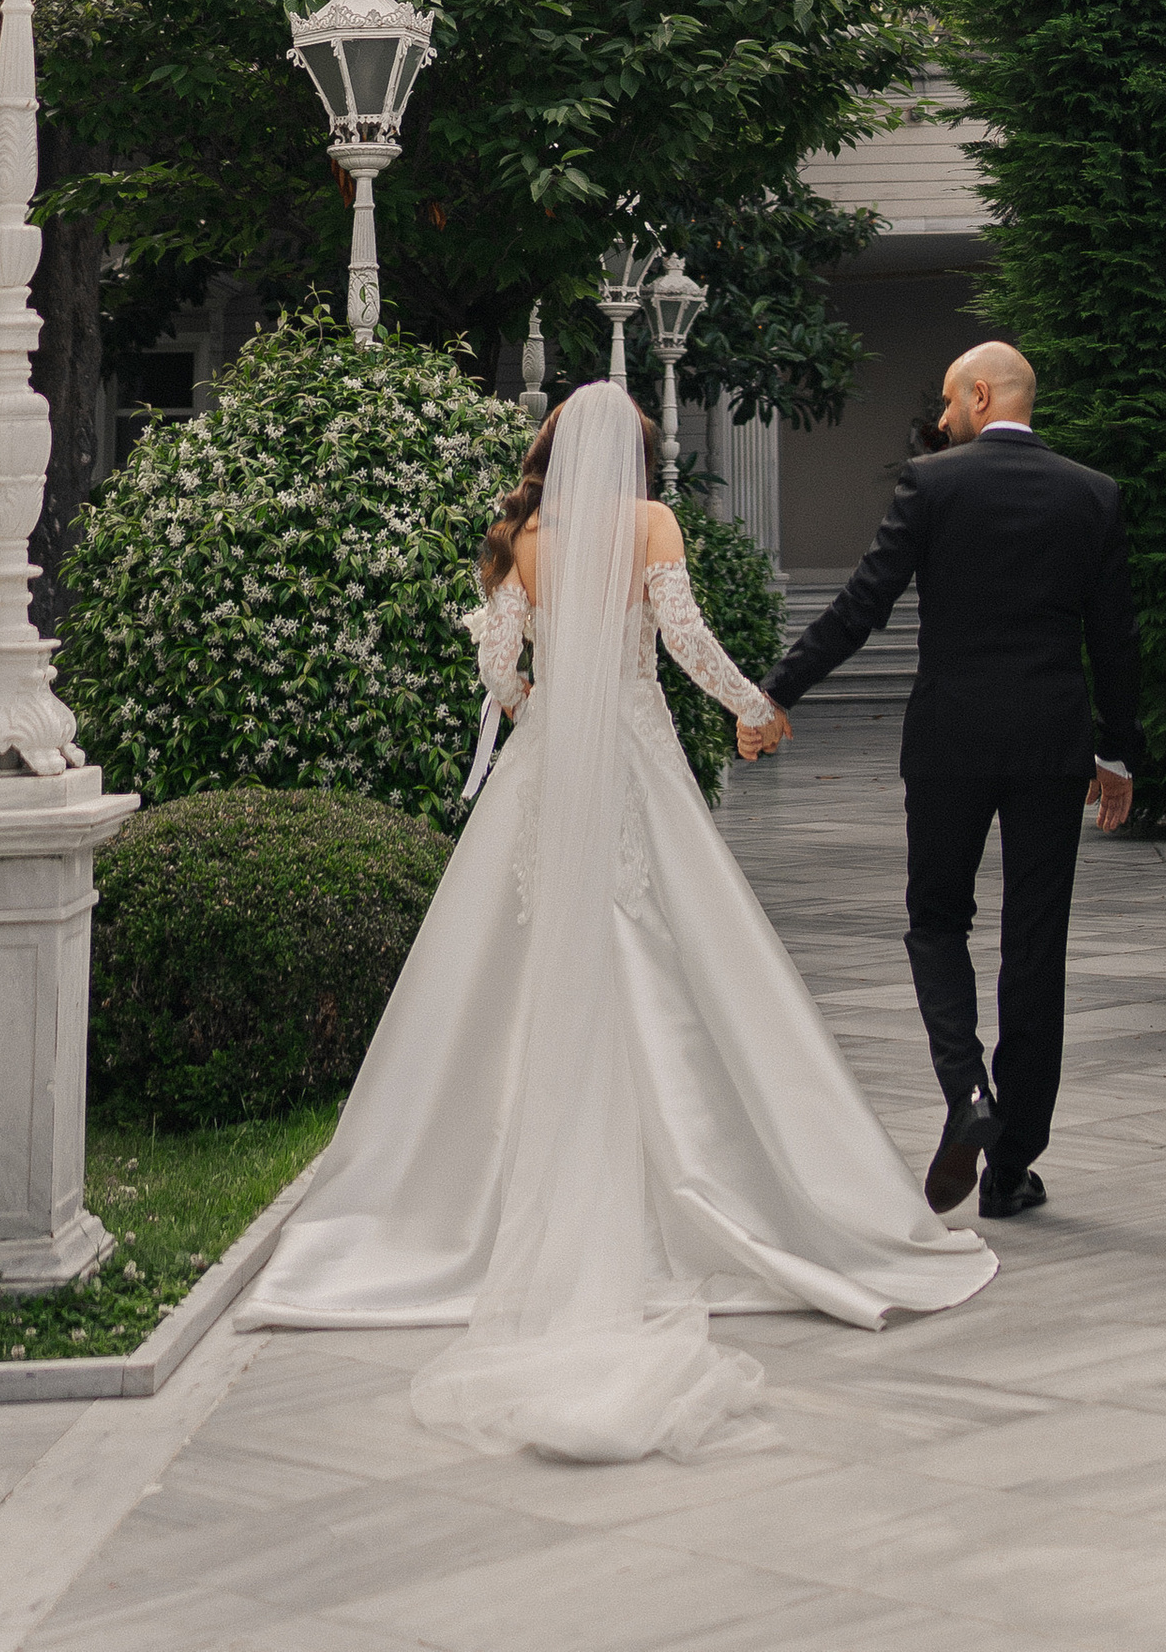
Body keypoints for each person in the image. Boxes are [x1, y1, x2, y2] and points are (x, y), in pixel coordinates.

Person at [239, 378, 993, 1460]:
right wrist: (752, 705)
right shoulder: (650, 523)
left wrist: (542, 707)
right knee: (675, 953)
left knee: (515, 960)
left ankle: (453, 1208)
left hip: (546, 771)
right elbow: (682, 640)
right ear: (635, 456)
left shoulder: (520, 537)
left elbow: (499, 668)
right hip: (635, 760)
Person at [756, 339, 1142, 1221]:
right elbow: (1114, 640)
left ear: (979, 395)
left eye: (946, 402)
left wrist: (778, 691)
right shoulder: (1094, 496)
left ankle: (968, 1092)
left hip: (949, 742)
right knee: (1035, 946)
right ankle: (1011, 1169)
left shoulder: (932, 487)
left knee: (936, 921)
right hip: (1050, 743)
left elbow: (862, 604)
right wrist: (1116, 754)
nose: (940, 419)